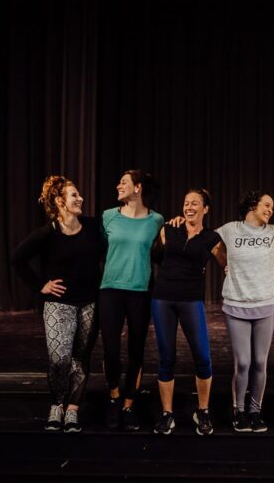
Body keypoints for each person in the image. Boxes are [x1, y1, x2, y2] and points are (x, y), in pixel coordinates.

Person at [12, 176, 103, 433]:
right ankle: (56, 404)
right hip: (58, 304)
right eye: (74, 195)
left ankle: (72, 410)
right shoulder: (46, 233)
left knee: (80, 359)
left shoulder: (93, 227)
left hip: (89, 304)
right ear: (59, 200)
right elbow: (18, 258)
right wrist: (40, 285)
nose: (80, 198)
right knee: (59, 359)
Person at [150, 188, 221, 435]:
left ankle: (203, 411)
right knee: (166, 357)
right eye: (186, 202)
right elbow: (156, 257)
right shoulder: (169, 229)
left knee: (202, 357)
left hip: (191, 300)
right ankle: (167, 414)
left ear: (206, 209)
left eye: (195, 203)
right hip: (163, 299)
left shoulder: (212, 238)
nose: (189, 207)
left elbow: (229, 266)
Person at [99, 169, 164, 431]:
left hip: (140, 291)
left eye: (123, 182)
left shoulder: (156, 220)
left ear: (138, 188)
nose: (118, 186)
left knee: (136, 351)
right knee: (111, 351)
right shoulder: (108, 217)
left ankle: (128, 404)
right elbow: (103, 249)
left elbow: (161, 253)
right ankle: (114, 398)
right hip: (110, 289)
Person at [213, 191, 274, 433]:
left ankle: (255, 411)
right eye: (267, 205)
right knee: (244, 362)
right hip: (236, 304)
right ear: (252, 205)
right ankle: (239, 411)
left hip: (265, 304)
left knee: (260, 362)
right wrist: (224, 263)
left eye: (273, 207)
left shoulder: (273, 232)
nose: (271, 210)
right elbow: (209, 243)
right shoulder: (230, 229)